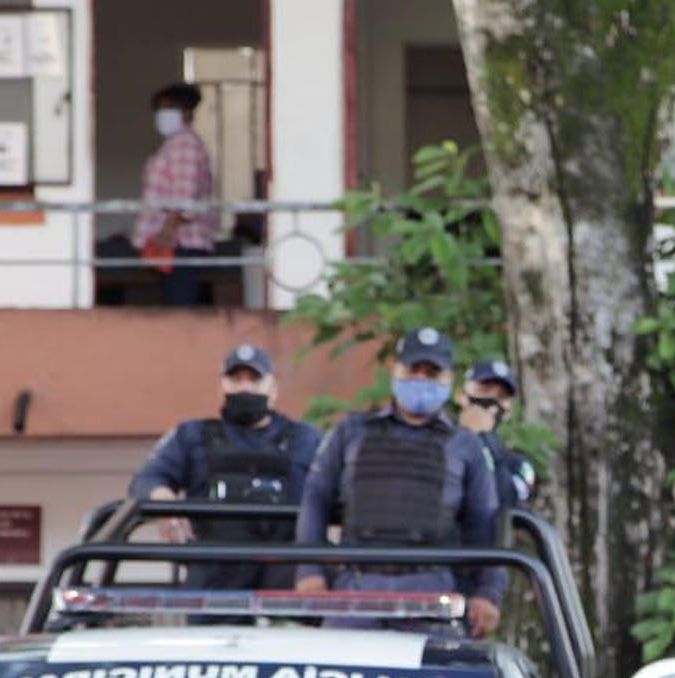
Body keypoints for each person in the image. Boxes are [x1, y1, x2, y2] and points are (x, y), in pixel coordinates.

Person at [294, 328, 505, 638]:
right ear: (395, 370)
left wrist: (488, 593)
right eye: (413, 369)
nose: (421, 378)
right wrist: (309, 572)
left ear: (449, 380)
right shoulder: (350, 432)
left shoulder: (466, 445)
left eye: (432, 372)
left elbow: (484, 522)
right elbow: (316, 498)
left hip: (433, 590)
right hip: (357, 585)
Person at [130, 343, 323, 589]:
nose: (244, 387)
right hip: (214, 573)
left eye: (254, 379)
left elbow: (336, 490)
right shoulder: (192, 436)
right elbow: (147, 479)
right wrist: (164, 503)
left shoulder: (306, 439)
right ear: (221, 388)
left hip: (285, 572)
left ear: (273, 389)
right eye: (236, 379)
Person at [134, 83, 218, 308]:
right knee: (174, 301)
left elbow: (185, 197)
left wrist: (166, 233)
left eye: (169, 108)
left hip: (179, 241)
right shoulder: (175, 144)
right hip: (173, 240)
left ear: (187, 111)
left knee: (180, 307)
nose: (162, 115)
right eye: (159, 109)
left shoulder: (185, 145)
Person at [458, 358, 538, 509]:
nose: (492, 401)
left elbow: (505, 501)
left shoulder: (518, 465)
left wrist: (484, 437)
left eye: (501, 397)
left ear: (508, 410)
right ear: (462, 396)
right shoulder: (439, 444)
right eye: (485, 390)